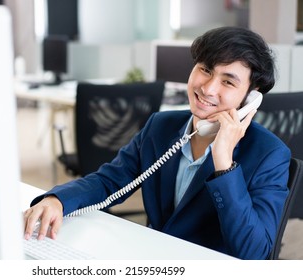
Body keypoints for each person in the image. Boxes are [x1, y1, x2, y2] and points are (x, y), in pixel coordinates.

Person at [23, 26, 291, 260]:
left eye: (228, 82)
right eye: (205, 70)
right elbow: (109, 181)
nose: (208, 89)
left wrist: (224, 165)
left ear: (249, 99)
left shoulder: (270, 155)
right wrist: (58, 200)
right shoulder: (160, 127)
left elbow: (254, 253)